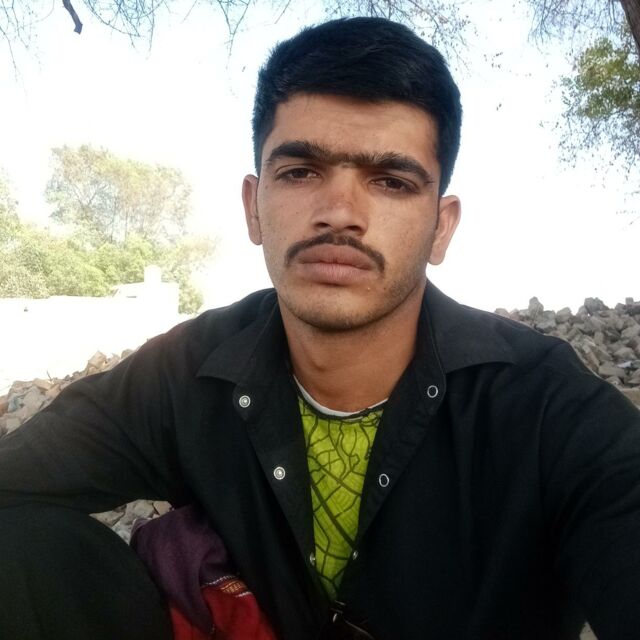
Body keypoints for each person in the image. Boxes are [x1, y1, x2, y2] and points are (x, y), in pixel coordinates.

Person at [0, 16, 639, 640]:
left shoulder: (544, 406)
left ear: (441, 228)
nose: (339, 213)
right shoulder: (186, 371)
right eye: (301, 171)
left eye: (390, 181)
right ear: (254, 207)